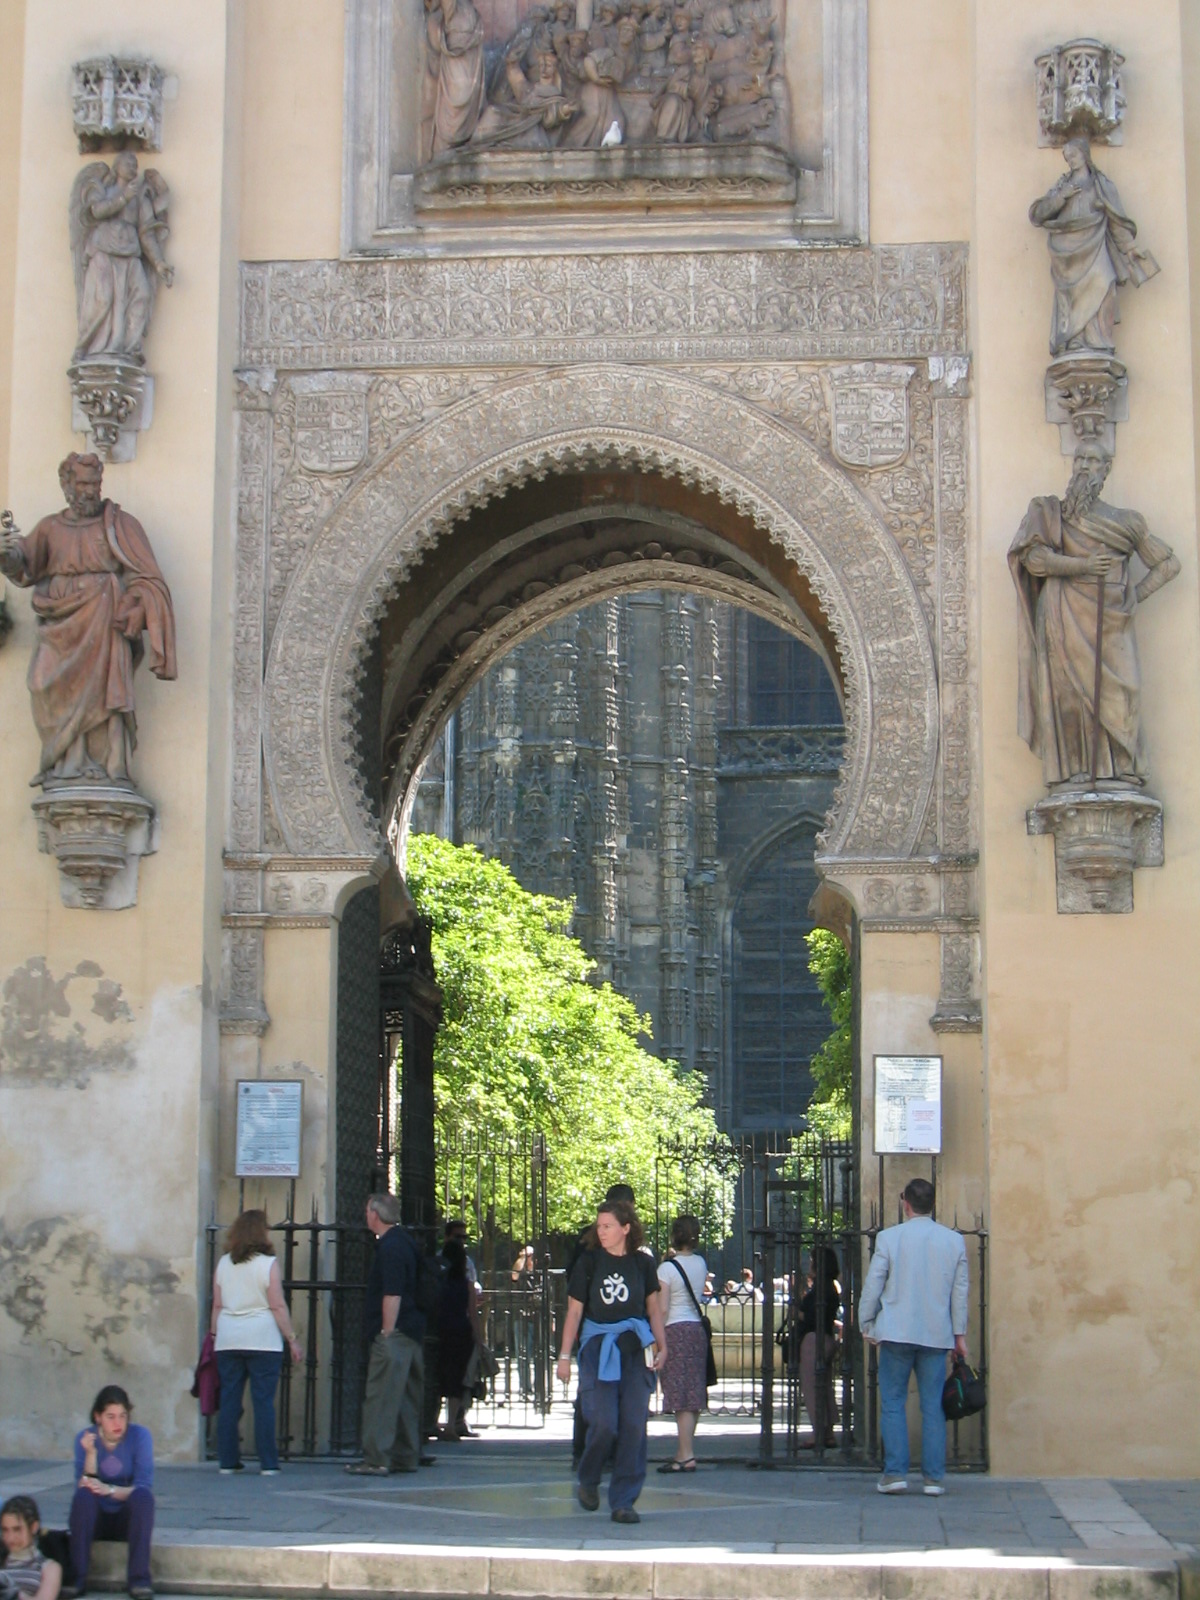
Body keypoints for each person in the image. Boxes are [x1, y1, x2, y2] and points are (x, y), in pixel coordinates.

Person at [1008, 442, 1179, 787]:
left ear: (1106, 469)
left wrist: (1134, 595)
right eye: (1080, 459)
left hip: (1111, 620)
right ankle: (1076, 770)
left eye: (1093, 460)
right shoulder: (1048, 513)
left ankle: (1123, 768)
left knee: (1123, 697)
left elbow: (1168, 564)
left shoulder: (1126, 522)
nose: (1085, 466)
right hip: (1061, 617)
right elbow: (1034, 559)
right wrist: (1082, 566)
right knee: (1069, 697)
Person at [0, 454, 176, 787]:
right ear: (66, 486)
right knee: (40, 681)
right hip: (59, 624)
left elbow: (149, 580)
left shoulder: (119, 525)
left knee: (105, 693)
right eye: (82, 484)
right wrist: (7, 554)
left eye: (95, 484)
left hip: (103, 620)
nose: (90, 491)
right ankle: (65, 762)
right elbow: (23, 565)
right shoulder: (50, 528)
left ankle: (107, 765)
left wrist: (137, 607)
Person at [555, 1198, 668, 1524]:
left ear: (626, 1228)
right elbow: (574, 1312)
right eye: (599, 1226)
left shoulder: (643, 1264)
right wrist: (564, 1356)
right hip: (598, 1348)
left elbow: (653, 1310)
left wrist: (663, 1346)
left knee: (633, 1423)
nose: (601, 1232)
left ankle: (623, 1501)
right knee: (604, 1421)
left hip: (634, 1348)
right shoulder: (588, 1262)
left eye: (608, 1226)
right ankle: (588, 1477)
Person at [858, 1178, 968, 1496]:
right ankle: (933, 1478)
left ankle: (895, 1473)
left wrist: (866, 1321)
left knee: (893, 1401)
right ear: (933, 1203)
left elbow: (874, 1284)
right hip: (936, 1333)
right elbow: (959, 1292)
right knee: (932, 1405)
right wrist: (959, 1334)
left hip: (896, 1331)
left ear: (905, 1203)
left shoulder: (889, 1238)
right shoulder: (953, 1241)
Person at [1028, 136, 1159, 357]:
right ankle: (1075, 341)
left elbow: (1115, 219)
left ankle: (1099, 341)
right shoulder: (1063, 185)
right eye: (1067, 157)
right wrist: (1061, 197)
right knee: (1072, 298)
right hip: (1068, 252)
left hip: (1096, 244)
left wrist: (1129, 247)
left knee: (1105, 284)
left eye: (1074, 155)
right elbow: (1038, 214)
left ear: (1084, 155)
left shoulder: (1101, 184)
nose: (1071, 160)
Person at [210, 1209, 304, 1475]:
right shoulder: (268, 1264)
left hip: (229, 1338)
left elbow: (217, 1304)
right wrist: (291, 1339)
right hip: (262, 1339)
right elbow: (277, 1305)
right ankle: (268, 1462)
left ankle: (227, 1460)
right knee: (263, 1402)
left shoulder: (224, 1263)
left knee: (229, 1400)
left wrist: (214, 1334)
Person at [346, 1193, 431, 1476]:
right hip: (412, 1330)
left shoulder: (390, 1247)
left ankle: (377, 1458)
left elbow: (392, 1293)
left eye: (367, 1211)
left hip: (395, 1332)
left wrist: (386, 1331)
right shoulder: (406, 1242)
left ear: (375, 1215)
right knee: (406, 1397)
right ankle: (405, 1455)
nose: (365, 1216)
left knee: (381, 1397)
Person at [69, 151, 173, 362]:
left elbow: (146, 233)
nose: (133, 166)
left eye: (135, 164)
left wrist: (159, 263)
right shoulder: (102, 189)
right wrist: (123, 198)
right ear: (117, 167)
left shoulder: (139, 198)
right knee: (103, 299)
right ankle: (87, 346)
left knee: (142, 294)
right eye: (128, 163)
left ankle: (129, 348)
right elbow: (96, 211)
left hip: (130, 253)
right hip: (104, 251)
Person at [68, 1386, 154, 1600]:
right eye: (111, 1417)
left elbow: (143, 1486)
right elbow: (85, 1485)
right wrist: (91, 1454)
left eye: (123, 1416)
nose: (118, 1424)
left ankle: (139, 1580)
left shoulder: (140, 1436)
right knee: (83, 1497)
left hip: (126, 1517)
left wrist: (110, 1490)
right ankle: (76, 1579)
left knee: (144, 1498)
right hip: (95, 1517)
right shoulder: (85, 1438)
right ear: (98, 1417)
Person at [655, 1214, 708, 1473]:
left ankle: (686, 1454)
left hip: (675, 1330)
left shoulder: (666, 1269)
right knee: (693, 1392)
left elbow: (663, 1308)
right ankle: (684, 1450)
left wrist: (657, 1339)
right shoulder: (701, 1263)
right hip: (696, 1330)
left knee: (679, 1394)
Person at [435, 1237, 481, 1439]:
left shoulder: (438, 1284)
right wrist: (478, 1336)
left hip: (440, 1331)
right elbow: (472, 1312)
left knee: (438, 1377)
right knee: (457, 1379)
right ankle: (451, 1424)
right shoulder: (466, 1285)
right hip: (461, 1332)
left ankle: (431, 1421)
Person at [796, 1246, 841, 1449]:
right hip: (828, 1338)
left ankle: (818, 1432)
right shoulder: (831, 1287)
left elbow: (814, 1316)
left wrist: (797, 1313)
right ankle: (828, 1432)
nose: (809, 1264)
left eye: (812, 1261)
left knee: (812, 1386)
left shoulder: (820, 1289)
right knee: (825, 1386)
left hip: (814, 1340)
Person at [0, 1496, 62, 1600]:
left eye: (17, 1529)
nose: (10, 1538)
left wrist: (12, 1592)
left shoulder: (48, 1568)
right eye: (5, 1530)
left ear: (33, 1527)